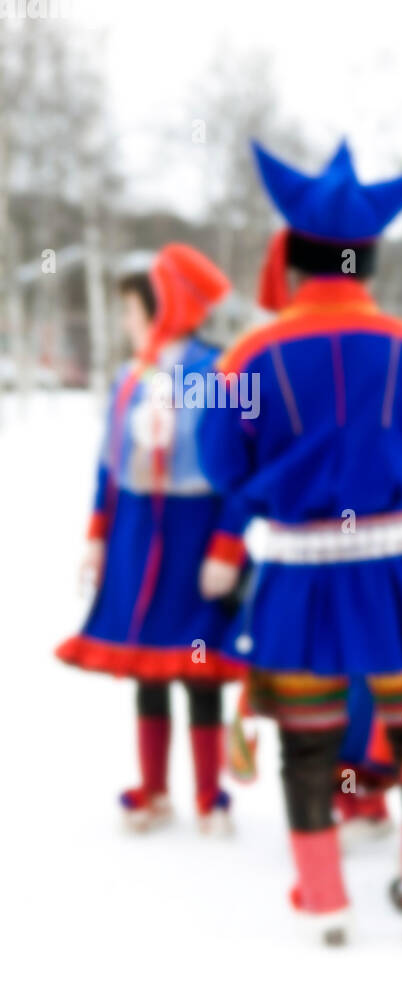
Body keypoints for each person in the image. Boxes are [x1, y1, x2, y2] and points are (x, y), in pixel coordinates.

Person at [196, 140, 402, 947]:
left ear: (292, 256)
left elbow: (224, 468)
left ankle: (323, 901)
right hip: (397, 576)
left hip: (294, 579)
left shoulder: (246, 356)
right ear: (371, 257)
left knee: (308, 742)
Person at [57, 245, 244, 834]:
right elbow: (107, 465)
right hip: (137, 530)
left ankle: (211, 795)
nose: (126, 322)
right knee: (147, 663)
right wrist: (97, 535)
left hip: (195, 531)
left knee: (198, 661)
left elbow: (241, 469)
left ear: (166, 305)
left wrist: (227, 547)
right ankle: (155, 789)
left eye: (133, 309)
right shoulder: (128, 376)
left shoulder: (222, 372)